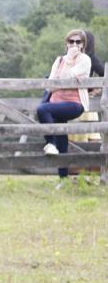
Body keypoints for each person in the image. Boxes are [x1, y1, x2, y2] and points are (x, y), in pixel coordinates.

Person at [35, 29, 91, 180]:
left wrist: (69, 61)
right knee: (62, 137)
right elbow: (51, 86)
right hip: (56, 103)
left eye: (78, 42)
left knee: (42, 109)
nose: (74, 44)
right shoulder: (59, 60)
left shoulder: (84, 60)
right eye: (71, 41)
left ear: (83, 44)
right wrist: (65, 75)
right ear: (66, 43)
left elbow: (64, 78)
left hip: (74, 104)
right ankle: (63, 177)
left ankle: (50, 143)